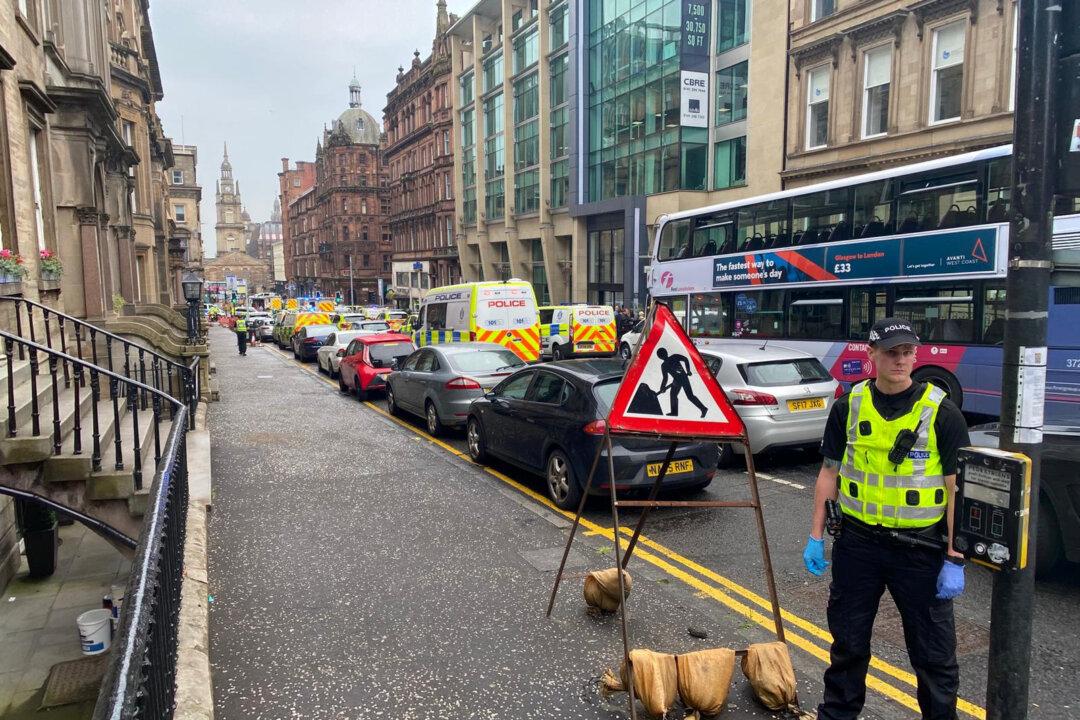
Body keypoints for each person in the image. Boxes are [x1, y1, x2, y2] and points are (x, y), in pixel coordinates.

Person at [803, 318, 969, 720]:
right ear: (871, 354)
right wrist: (815, 536)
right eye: (892, 352)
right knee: (848, 645)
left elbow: (956, 490)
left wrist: (955, 556)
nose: (900, 360)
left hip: (920, 550)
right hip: (858, 545)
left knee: (933, 656)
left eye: (907, 352)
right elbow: (829, 472)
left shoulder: (942, 412)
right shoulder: (848, 406)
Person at [656, 347, 708, 418]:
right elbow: (665, 378)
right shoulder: (667, 362)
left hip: (682, 379)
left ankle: (703, 409)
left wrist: (688, 370)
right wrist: (662, 387)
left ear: (660, 357)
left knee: (686, 396)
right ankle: (674, 412)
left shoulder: (668, 361)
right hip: (678, 380)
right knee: (679, 395)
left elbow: (685, 359)